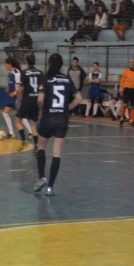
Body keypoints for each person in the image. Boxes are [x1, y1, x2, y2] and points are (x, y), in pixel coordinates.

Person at [33, 53, 82, 196]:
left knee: (40, 147)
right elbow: (79, 98)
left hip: (48, 118)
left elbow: (40, 100)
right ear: (61, 65)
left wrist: (41, 110)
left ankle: (42, 178)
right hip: (61, 120)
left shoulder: (46, 78)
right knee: (57, 154)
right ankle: (50, 187)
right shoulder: (66, 79)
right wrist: (68, 108)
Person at [15, 53, 44, 153]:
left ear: (27, 62)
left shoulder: (24, 73)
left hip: (26, 101)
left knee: (18, 120)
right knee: (32, 124)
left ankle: (24, 140)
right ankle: (36, 146)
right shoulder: (40, 73)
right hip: (35, 101)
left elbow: (20, 90)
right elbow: (42, 89)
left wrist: (18, 98)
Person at [119, 57, 134, 128]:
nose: (132, 63)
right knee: (124, 105)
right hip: (127, 90)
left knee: (133, 106)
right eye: (131, 62)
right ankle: (121, 119)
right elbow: (122, 81)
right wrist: (121, 89)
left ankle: (131, 121)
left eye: (133, 62)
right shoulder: (126, 71)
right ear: (130, 63)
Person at [1, 57, 22, 138]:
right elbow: (12, 84)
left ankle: (11, 133)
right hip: (12, 96)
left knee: (20, 116)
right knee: (6, 113)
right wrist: (9, 89)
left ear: (9, 64)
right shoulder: (9, 73)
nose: (5, 66)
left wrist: (14, 93)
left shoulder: (16, 72)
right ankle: (11, 133)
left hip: (17, 96)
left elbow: (19, 86)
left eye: (6, 65)